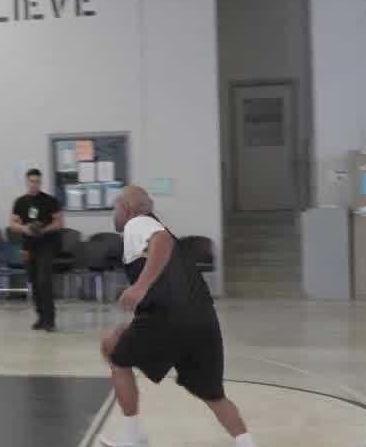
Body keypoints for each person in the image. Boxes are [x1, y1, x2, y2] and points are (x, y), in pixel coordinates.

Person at [100, 186, 258, 447]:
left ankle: (133, 436)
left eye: (116, 206)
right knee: (213, 394)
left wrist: (139, 288)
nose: (114, 212)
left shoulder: (137, 224)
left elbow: (161, 242)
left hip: (169, 317)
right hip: (203, 319)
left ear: (127, 208)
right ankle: (247, 444)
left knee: (114, 353)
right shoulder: (158, 231)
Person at [9, 169, 64, 332]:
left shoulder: (50, 201)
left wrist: (44, 229)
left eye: (37, 181)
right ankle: (40, 317)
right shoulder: (20, 202)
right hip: (28, 247)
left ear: (41, 182)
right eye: (31, 181)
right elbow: (13, 224)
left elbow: (59, 222)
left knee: (44, 281)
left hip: (47, 246)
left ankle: (50, 320)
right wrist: (25, 229)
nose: (34, 184)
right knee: (33, 282)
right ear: (26, 182)